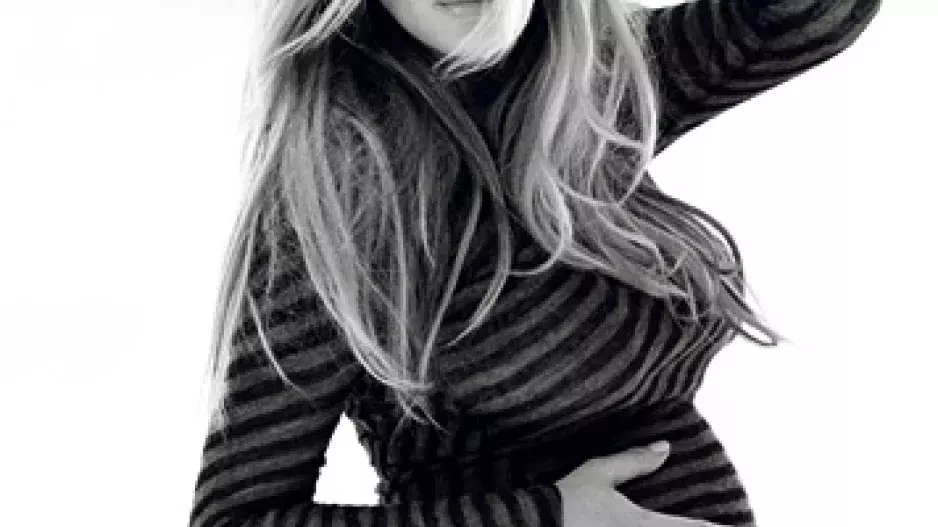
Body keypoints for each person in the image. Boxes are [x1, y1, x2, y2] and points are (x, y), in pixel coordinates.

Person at [187, 1, 881, 526]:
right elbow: (235, 517)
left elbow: (809, 14)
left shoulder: (591, 89)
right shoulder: (335, 197)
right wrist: (547, 515)